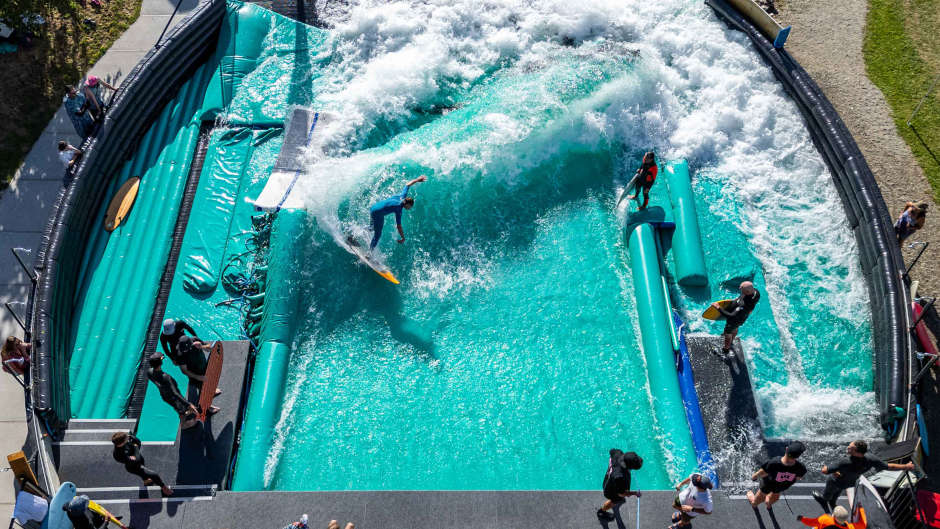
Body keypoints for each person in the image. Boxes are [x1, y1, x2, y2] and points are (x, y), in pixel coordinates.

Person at [813, 440, 914, 513]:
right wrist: (906, 466)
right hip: (850, 482)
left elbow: (825, 471)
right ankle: (833, 502)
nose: (848, 447)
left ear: (857, 452)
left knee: (830, 491)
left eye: (850, 447)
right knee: (838, 492)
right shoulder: (870, 458)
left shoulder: (844, 462)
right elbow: (889, 466)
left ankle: (824, 500)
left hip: (836, 480)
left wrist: (825, 466)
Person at [147, 352, 206, 428]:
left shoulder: (149, 372)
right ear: (160, 363)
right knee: (181, 410)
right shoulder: (166, 377)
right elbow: (175, 393)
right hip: (173, 397)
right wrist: (188, 404)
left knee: (179, 408)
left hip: (164, 395)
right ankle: (184, 425)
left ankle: (187, 412)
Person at [369, 175, 428, 250]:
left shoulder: (402, 196)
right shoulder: (398, 209)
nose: (409, 208)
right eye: (410, 206)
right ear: (407, 204)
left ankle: (353, 233)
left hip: (373, 208)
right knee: (377, 235)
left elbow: (408, 184)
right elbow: (399, 226)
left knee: (371, 228)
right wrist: (403, 237)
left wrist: (417, 180)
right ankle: (369, 254)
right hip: (377, 213)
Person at [747, 441, 807, 510]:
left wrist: (754, 477)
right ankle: (768, 503)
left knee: (759, 498)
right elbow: (798, 478)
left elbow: (762, 473)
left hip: (767, 485)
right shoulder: (801, 468)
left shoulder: (774, 462)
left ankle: (753, 502)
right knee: (775, 497)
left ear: (787, 449)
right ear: (797, 456)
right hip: (782, 487)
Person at [111, 431, 173, 496]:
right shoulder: (118, 454)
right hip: (133, 467)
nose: (128, 437)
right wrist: (135, 447)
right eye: (126, 438)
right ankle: (164, 488)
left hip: (138, 460)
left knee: (144, 473)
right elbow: (137, 459)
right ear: (121, 443)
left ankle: (146, 480)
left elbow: (138, 443)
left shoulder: (126, 440)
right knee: (154, 475)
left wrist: (133, 440)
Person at [713, 281, 760, 358]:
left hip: (734, 319)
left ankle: (726, 350)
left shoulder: (743, 304)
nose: (740, 289)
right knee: (735, 328)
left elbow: (730, 316)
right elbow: (750, 306)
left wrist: (718, 307)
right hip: (742, 317)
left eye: (741, 289)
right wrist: (738, 300)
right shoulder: (756, 293)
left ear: (747, 292)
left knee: (728, 333)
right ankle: (732, 340)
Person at [597, 449, 643, 521]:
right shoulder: (620, 478)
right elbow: (622, 494)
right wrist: (635, 493)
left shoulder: (617, 453)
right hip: (610, 491)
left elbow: (611, 452)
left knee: (619, 497)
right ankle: (601, 511)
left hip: (608, 479)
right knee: (615, 500)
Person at [798, 505, 867, 529]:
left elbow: (811, 522)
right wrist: (861, 508)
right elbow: (863, 525)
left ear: (833, 516)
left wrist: (802, 519)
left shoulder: (825, 519)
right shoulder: (851, 528)